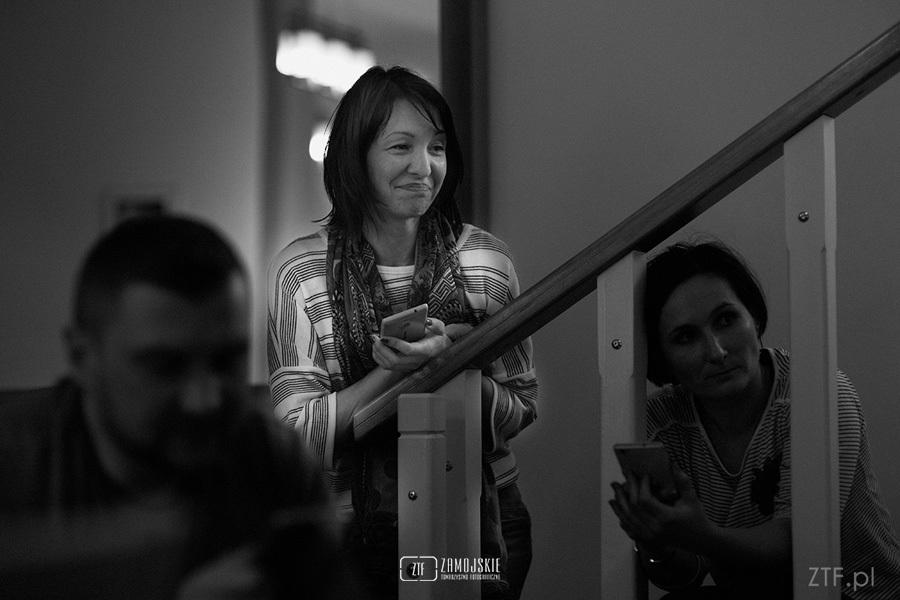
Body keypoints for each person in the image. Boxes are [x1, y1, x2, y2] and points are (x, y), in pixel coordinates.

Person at [267, 65, 538, 598]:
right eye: (400, 147)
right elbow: (297, 439)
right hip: (346, 535)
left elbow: (523, 404)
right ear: (356, 157)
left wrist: (453, 356)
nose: (424, 166)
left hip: (484, 520)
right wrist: (402, 372)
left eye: (437, 147)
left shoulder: (486, 261)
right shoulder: (300, 273)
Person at [0, 215, 356, 599]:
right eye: (165, 367)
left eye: (226, 362)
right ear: (81, 356)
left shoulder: (273, 458)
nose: (204, 400)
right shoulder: (16, 473)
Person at [608, 240, 900, 599]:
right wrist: (656, 540)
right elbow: (684, 577)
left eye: (726, 320)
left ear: (754, 318)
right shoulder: (663, 422)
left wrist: (701, 535)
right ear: (661, 357)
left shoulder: (817, 392)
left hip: (853, 589)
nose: (716, 351)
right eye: (686, 337)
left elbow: (797, 546)